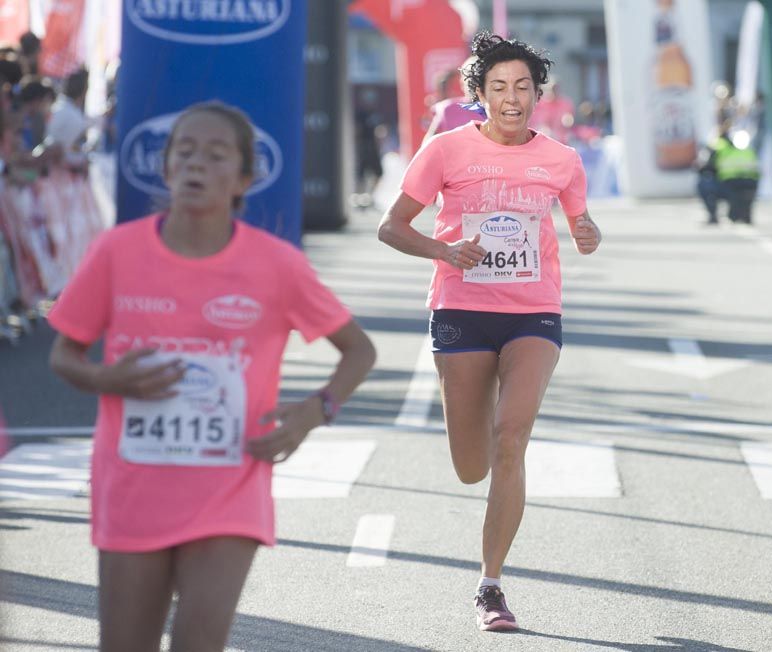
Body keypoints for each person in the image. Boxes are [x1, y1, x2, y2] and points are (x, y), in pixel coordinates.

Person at [47, 101, 376, 652]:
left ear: (244, 178)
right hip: (132, 484)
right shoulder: (116, 252)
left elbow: (358, 351)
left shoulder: (277, 264)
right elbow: (64, 354)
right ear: (168, 168)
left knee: (200, 642)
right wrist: (110, 380)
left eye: (216, 154)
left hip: (230, 484)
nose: (197, 164)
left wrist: (312, 413)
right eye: (185, 152)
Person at [377, 30, 602, 633]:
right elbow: (391, 227)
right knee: (471, 465)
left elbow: (581, 220)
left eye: (523, 86)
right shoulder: (447, 150)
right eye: (499, 86)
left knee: (511, 436)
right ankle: (482, 448)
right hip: (461, 311)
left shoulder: (562, 159)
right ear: (478, 94)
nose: (512, 97)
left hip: (534, 312)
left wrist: (587, 233)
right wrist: (444, 250)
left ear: (537, 94)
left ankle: (491, 586)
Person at [696, 122, 760, 225]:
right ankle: (742, 214)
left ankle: (714, 216)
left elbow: (706, 165)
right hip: (751, 183)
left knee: (704, 185)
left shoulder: (719, 145)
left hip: (729, 184)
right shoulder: (748, 146)